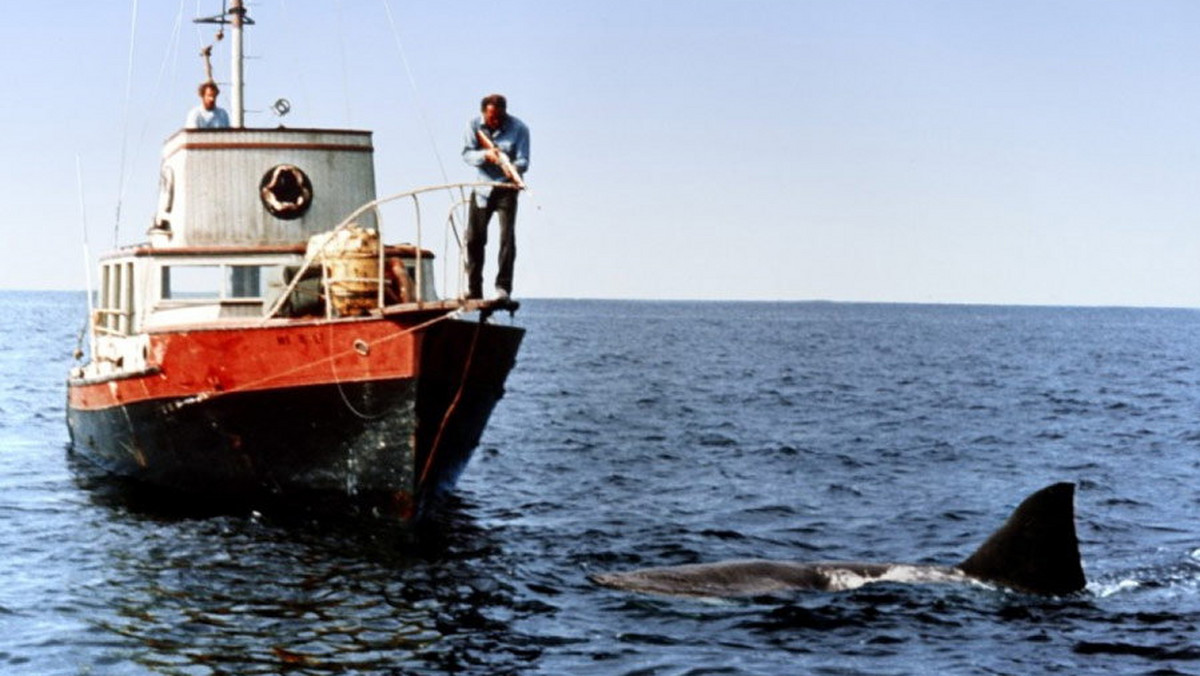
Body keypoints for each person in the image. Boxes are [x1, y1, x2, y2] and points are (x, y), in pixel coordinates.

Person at [461, 93, 530, 300]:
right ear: (484, 113)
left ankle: (503, 288)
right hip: (482, 189)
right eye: (492, 118)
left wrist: (511, 166)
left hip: (507, 190)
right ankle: (474, 289)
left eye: (500, 117)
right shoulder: (473, 125)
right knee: (474, 239)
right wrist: (486, 156)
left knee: (506, 239)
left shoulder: (520, 129)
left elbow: (524, 160)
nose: (496, 122)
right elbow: (466, 154)